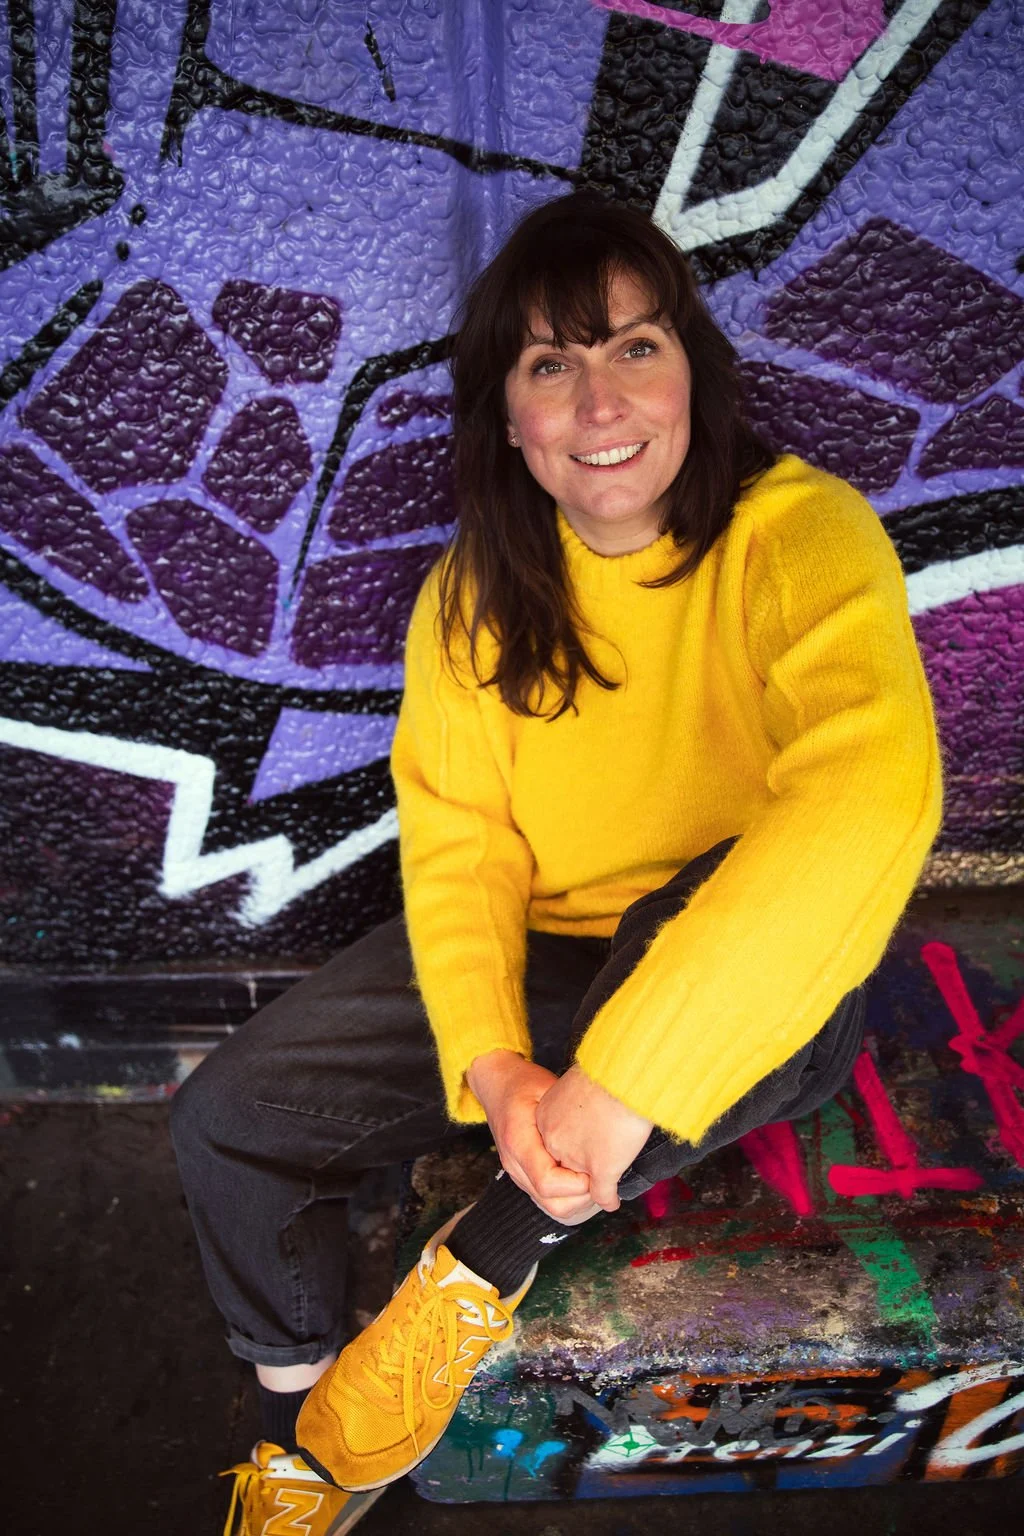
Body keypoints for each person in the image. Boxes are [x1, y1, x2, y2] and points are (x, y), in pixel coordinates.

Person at [171, 191, 943, 1527]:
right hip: (549, 962)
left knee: (740, 915)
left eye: (635, 346)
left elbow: (871, 793)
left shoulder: (801, 532)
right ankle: (308, 1440)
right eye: (551, 365)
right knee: (227, 1121)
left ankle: (493, 1253)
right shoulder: (471, 596)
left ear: (692, 369)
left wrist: (620, 1081)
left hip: (745, 974)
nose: (600, 401)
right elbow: (459, 848)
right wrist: (495, 1061)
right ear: (513, 425)